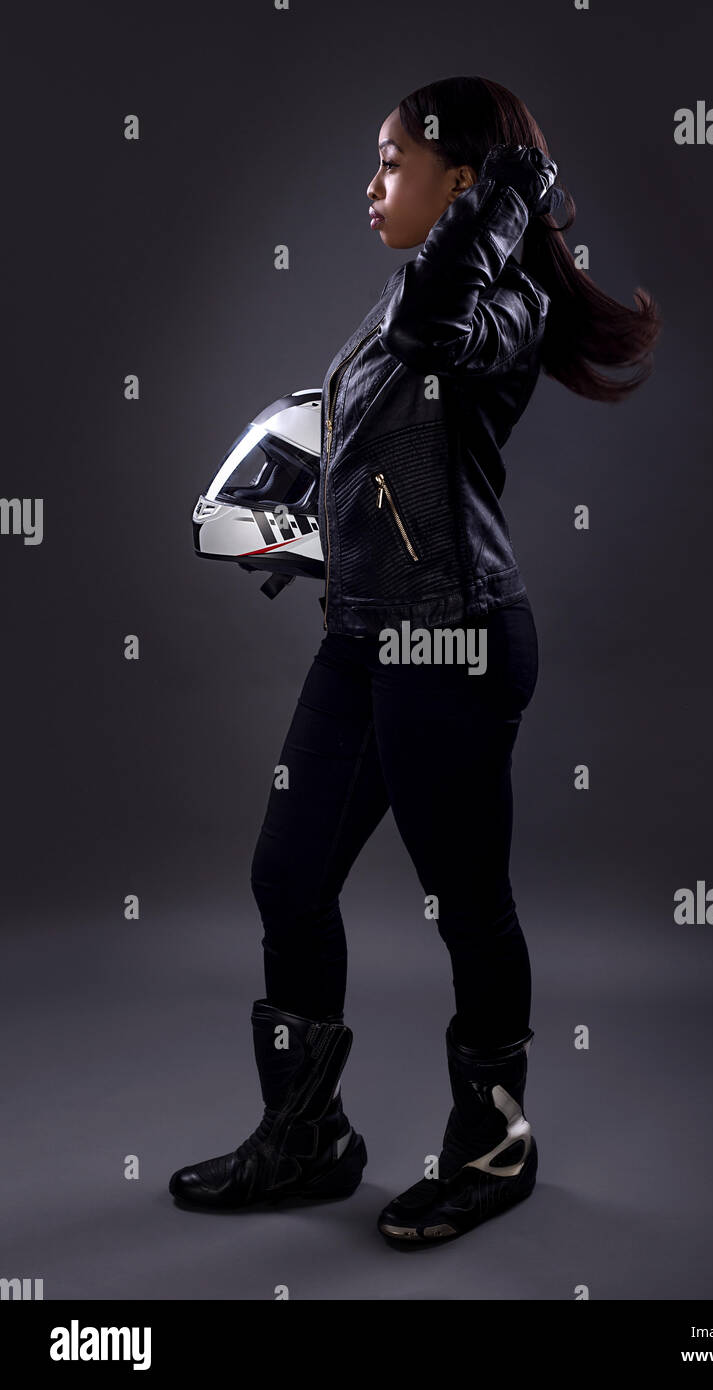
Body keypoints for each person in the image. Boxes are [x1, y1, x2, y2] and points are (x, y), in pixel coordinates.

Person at [169, 75, 661, 1245]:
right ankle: (307, 1139)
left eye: (393, 160)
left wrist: (510, 195)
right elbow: (373, 459)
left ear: (464, 181)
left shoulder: (497, 311)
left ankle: (492, 1150)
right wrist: (297, 530)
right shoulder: (406, 298)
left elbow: (431, 330)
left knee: (465, 906)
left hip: (454, 639)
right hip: (362, 632)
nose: (370, 184)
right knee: (287, 878)